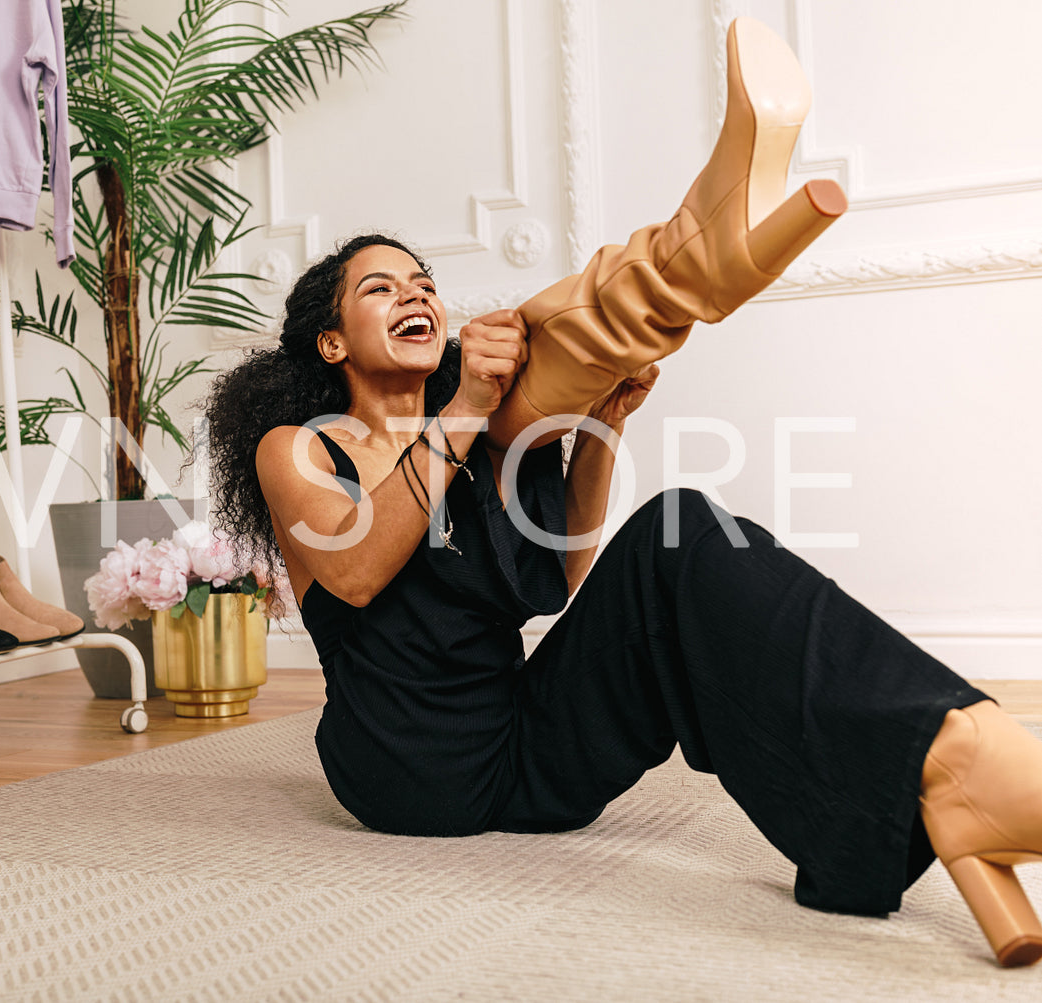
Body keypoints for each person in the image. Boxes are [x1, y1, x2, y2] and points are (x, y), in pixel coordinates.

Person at [201, 18, 1042, 969]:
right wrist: (471, 402)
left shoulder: (478, 442)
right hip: (406, 776)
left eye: (425, 280)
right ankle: (708, 242)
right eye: (379, 287)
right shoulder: (299, 449)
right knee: (566, 346)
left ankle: (938, 769)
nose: (416, 294)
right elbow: (353, 571)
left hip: (521, 748)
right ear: (329, 341)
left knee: (675, 528)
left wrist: (605, 431)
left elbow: (562, 581)